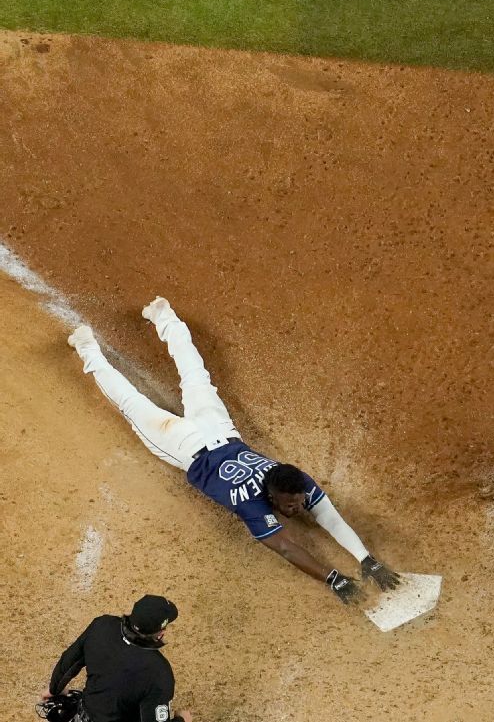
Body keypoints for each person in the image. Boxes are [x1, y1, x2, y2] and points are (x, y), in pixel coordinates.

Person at [67, 297, 401, 604]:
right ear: (270, 497)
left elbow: (327, 514)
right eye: (291, 504)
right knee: (134, 403)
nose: (299, 507)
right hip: (185, 444)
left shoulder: (291, 480)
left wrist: (366, 559)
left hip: (218, 429)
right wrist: (333, 578)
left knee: (194, 375)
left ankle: (162, 313)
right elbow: (284, 547)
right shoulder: (252, 504)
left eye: (299, 501)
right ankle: (88, 347)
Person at [42, 595, 191, 722]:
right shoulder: (160, 673)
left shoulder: (101, 625)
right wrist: (182, 719)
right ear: (161, 633)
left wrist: (55, 689)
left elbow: (69, 661)